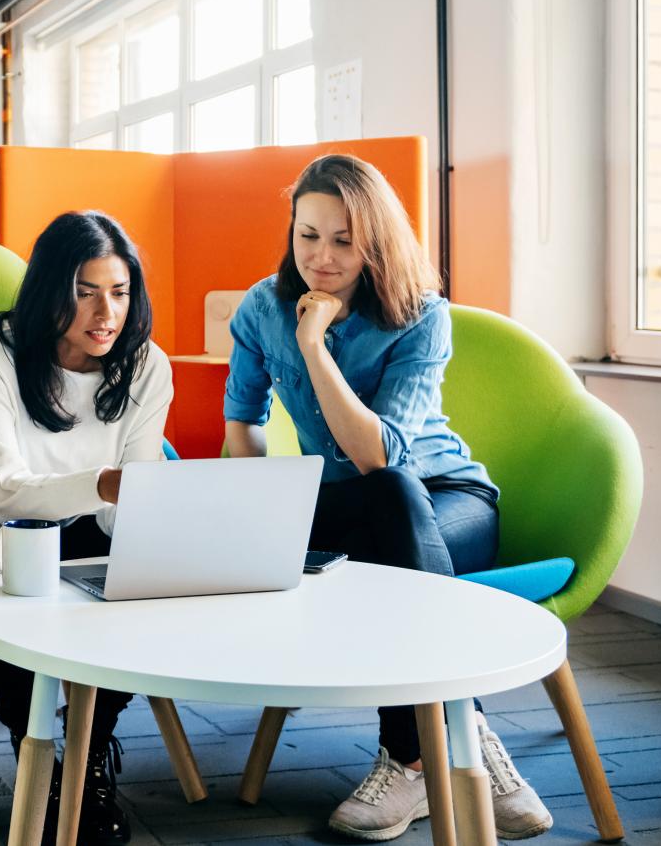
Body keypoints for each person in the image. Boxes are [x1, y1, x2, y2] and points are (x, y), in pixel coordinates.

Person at [222, 154, 553, 842]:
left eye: (344, 240)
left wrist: (314, 347)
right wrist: (261, 517)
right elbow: (242, 425)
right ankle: (463, 735)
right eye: (308, 235)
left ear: (376, 241)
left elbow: (377, 456)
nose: (321, 257)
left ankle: (408, 757)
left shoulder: (421, 315)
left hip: (446, 500)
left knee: (391, 495)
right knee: (372, 522)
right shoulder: (260, 307)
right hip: (343, 507)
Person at [0, 210, 173, 845]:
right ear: (51, 291)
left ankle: (91, 752)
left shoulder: (147, 365)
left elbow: (135, 492)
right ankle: (35, 747)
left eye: (119, 292)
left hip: (85, 520)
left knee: (137, 574)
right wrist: (105, 485)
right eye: (85, 292)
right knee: (10, 564)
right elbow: (2, 488)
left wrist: (147, 528)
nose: (106, 313)